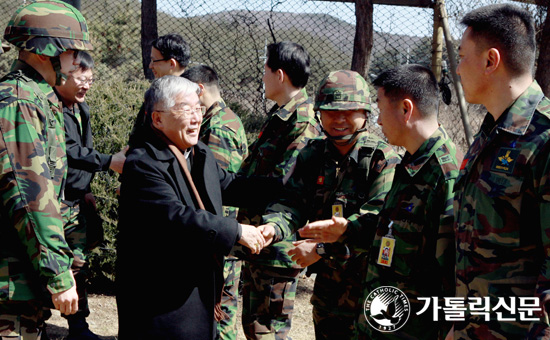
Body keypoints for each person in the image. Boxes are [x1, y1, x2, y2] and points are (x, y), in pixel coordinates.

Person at [299, 65, 461, 339]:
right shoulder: (412, 164)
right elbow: (393, 232)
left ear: (405, 109)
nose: (378, 122)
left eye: (381, 109)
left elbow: (455, 274)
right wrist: (348, 231)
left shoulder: (445, 174)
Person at [116, 75, 274, 340]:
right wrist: (235, 231)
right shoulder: (142, 163)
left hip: (198, 295)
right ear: (157, 119)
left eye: (198, 109)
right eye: (184, 109)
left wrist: (289, 188)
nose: (195, 117)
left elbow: (229, 185)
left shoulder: (198, 153)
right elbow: (175, 216)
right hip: (161, 300)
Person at [258, 70, 400, 339]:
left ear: (365, 113)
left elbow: (376, 223)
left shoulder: (382, 159)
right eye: (331, 112)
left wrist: (322, 249)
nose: (339, 120)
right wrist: (273, 227)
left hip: (370, 289)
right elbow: (292, 202)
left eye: (348, 112)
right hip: (329, 291)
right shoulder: (313, 154)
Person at [453, 4, 550, 339]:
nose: (457, 68)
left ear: (490, 61)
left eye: (462, 56)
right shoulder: (493, 133)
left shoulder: (543, 139)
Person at [0, 0, 92, 338]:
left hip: (22, 278)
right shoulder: (21, 103)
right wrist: (58, 273)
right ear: (44, 53)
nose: (75, 62)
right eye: (70, 52)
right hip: (11, 285)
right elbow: (29, 195)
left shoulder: (39, 100)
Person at [234, 41, 320, 340]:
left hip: (277, 243)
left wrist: (228, 188)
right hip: (261, 239)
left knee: (268, 329)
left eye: (266, 70)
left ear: (280, 74)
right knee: (255, 326)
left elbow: (284, 183)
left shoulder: (302, 120)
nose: (263, 77)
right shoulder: (282, 115)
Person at [54, 50, 127, 339]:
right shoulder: (51, 108)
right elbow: (68, 151)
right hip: (54, 203)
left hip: (76, 200)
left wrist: (86, 190)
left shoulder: (80, 108)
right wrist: (110, 161)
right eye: (80, 78)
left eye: (90, 79)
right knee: (54, 264)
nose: (86, 84)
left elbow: (81, 150)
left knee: (78, 264)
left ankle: (77, 327)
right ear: (62, 76)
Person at [182, 65, 248, 340]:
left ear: (198, 89)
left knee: (221, 312)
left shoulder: (220, 127)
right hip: (221, 234)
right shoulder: (218, 120)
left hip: (222, 237)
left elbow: (216, 193)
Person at [129, 33, 191, 147]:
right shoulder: (157, 92)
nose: (150, 66)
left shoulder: (190, 97)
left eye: (154, 61)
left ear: (172, 63)